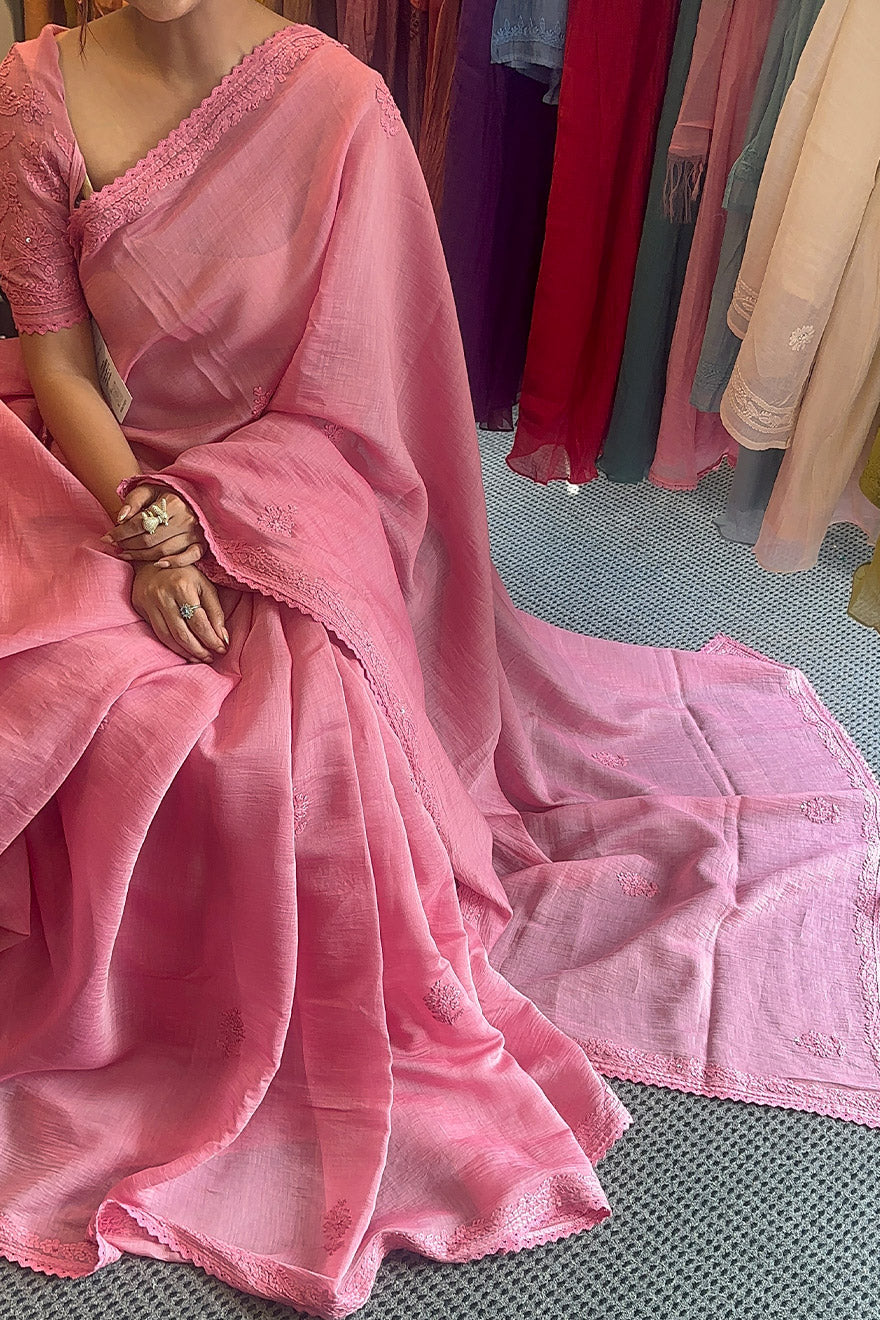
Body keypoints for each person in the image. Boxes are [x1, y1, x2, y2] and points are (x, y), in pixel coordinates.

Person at [1, 4, 879, 1316]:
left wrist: (208, 514)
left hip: (300, 479)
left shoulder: (339, 109)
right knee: (56, 683)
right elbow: (61, 362)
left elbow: (359, 402)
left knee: (279, 753)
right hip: (118, 475)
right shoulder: (36, 93)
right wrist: (142, 514)